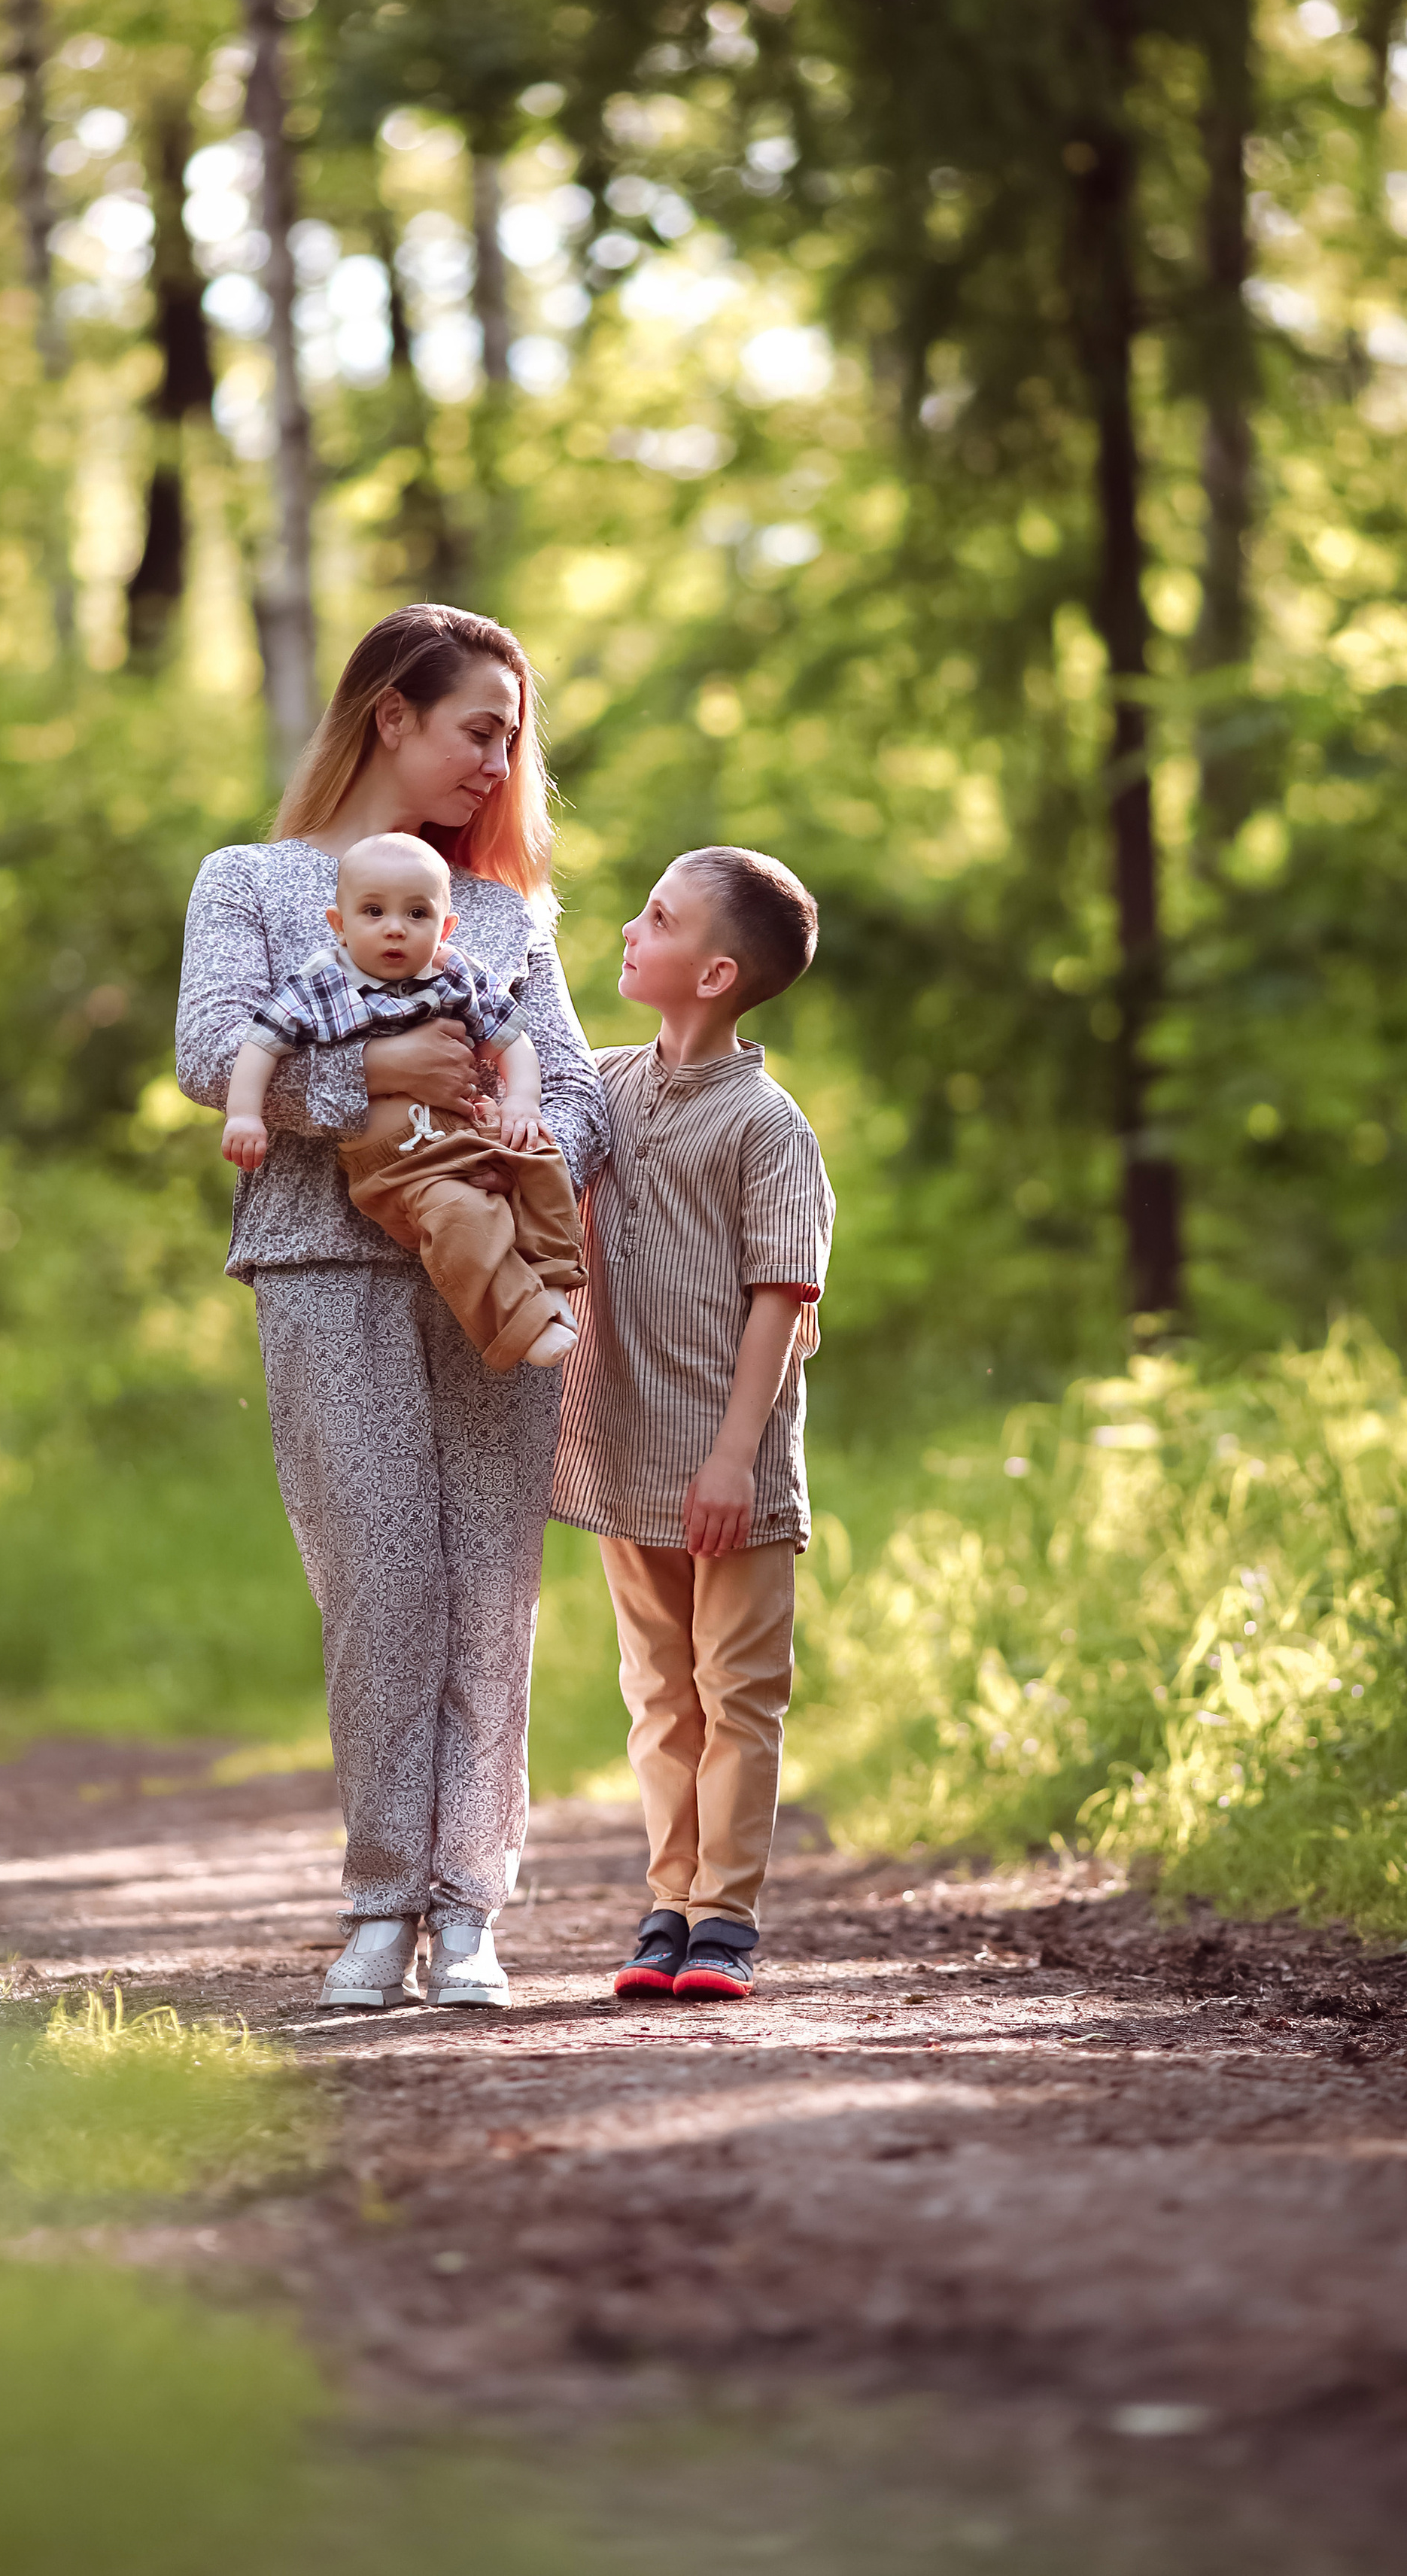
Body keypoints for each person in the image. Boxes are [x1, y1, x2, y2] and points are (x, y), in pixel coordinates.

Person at [175, 606, 607, 2013]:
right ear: (392, 720)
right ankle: (378, 1905)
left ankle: (470, 1912)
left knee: (491, 1592)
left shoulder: (506, 912)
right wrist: (381, 1085)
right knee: (380, 1590)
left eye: (513, 738)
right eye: (481, 730)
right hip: (323, 1267)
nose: (502, 763)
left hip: (500, 1285)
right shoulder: (249, 881)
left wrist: (525, 1150)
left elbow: (577, 1090)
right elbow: (206, 1052)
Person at [552, 846, 834, 2005]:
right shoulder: (606, 1090)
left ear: (715, 973)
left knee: (738, 1690)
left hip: (733, 1475)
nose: (629, 927)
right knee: (658, 1695)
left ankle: (726, 1919)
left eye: (655, 918)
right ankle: (666, 1902)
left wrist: (732, 1459)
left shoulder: (768, 1127)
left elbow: (782, 1298)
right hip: (625, 1460)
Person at [219, 828, 586, 1373]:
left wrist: (522, 1104)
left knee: (538, 1153)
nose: (395, 928)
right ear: (339, 925)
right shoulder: (323, 983)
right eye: (374, 912)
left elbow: (514, 1041)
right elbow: (259, 1046)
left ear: (445, 928)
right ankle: (522, 1321)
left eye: (417, 914)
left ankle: (552, 1275)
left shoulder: (454, 973)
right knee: (459, 1216)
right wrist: (244, 1114)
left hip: (463, 1129)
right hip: (400, 1160)